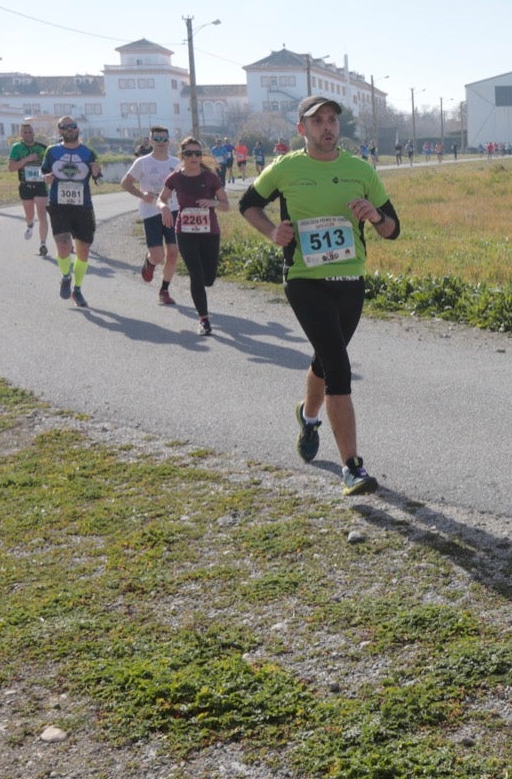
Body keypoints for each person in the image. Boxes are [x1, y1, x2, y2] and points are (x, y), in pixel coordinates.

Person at [240, 95, 402, 495]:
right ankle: (352, 468)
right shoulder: (286, 168)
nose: (327, 127)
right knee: (339, 366)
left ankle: (308, 416)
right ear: (302, 130)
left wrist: (375, 216)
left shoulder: (361, 170)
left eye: (332, 120)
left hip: (350, 281)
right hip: (304, 280)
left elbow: (393, 228)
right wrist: (270, 232)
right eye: (317, 121)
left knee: (324, 360)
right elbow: (248, 204)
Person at [159, 137, 229, 336]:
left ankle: (204, 306)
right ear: (182, 156)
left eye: (197, 153)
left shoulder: (210, 178)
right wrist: (163, 207)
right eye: (189, 154)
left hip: (210, 233)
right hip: (185, 232)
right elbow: (161, 198)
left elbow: (226, 205)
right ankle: (204, 319)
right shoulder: (175, 178)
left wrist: (213, 203)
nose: (194, 157)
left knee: (208, 279)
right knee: (196, 275)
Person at [41, 116, 105, 309]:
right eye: (65, 127)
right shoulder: (52, 151)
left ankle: (77, 289)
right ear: (60, 130)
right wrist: (46, 178)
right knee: (62, 246)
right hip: (59, 205)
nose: (70, 129)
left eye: (73, 126)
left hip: (83, 207)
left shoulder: (88, 152)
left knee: (83, 250)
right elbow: (42, 172)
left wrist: (96, 173)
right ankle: (66, 276)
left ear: (78, 129)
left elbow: (100, 182)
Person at [120, 125, 180, 306]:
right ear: (151, 141)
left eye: (164, 139)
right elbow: (125, 183)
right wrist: (142, 195)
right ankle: (150, 261)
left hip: (173, 209)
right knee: (158, 255)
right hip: (151, 212)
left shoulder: (177, 163)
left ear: (169, 141)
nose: (161, 143)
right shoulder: (143, 162)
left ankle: (164, 290)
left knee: (173, 253)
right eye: (157, 139)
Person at [8, 120, 50, 256]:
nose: (28, 134)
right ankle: (30, 225)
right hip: (25, 185)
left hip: (40, 185)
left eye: (30, 131)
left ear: (34, 133)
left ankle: (43, 244)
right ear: (21, 134)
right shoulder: (16, 148)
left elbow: (51, 166)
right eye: (25, 132)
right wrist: (26, 159)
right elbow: (11, 168)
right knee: (29, 215)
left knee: (42, 214)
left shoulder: (43, 147)